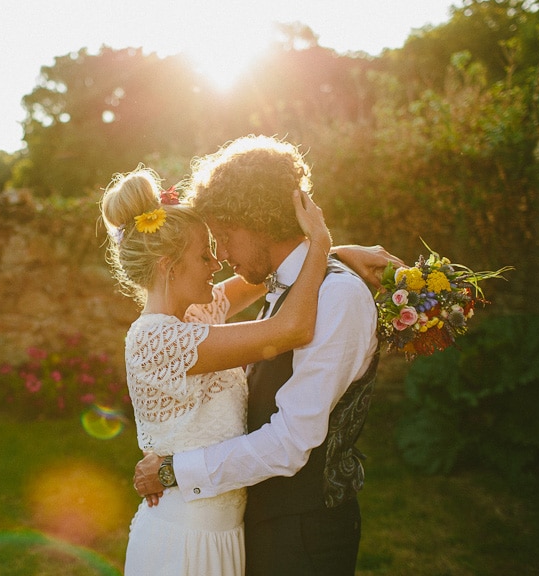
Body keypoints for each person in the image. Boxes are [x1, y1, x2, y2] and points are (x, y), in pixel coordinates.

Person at [101, 164, 396, 576]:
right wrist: (320, 242)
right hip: (187, 540)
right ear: (170, 267)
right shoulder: (158, 340)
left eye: (218, 244)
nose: (217, 261)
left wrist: (335, 254)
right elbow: (288, 327)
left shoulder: (196, 314)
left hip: (228, 533)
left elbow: (266, 274)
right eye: (205, 253)